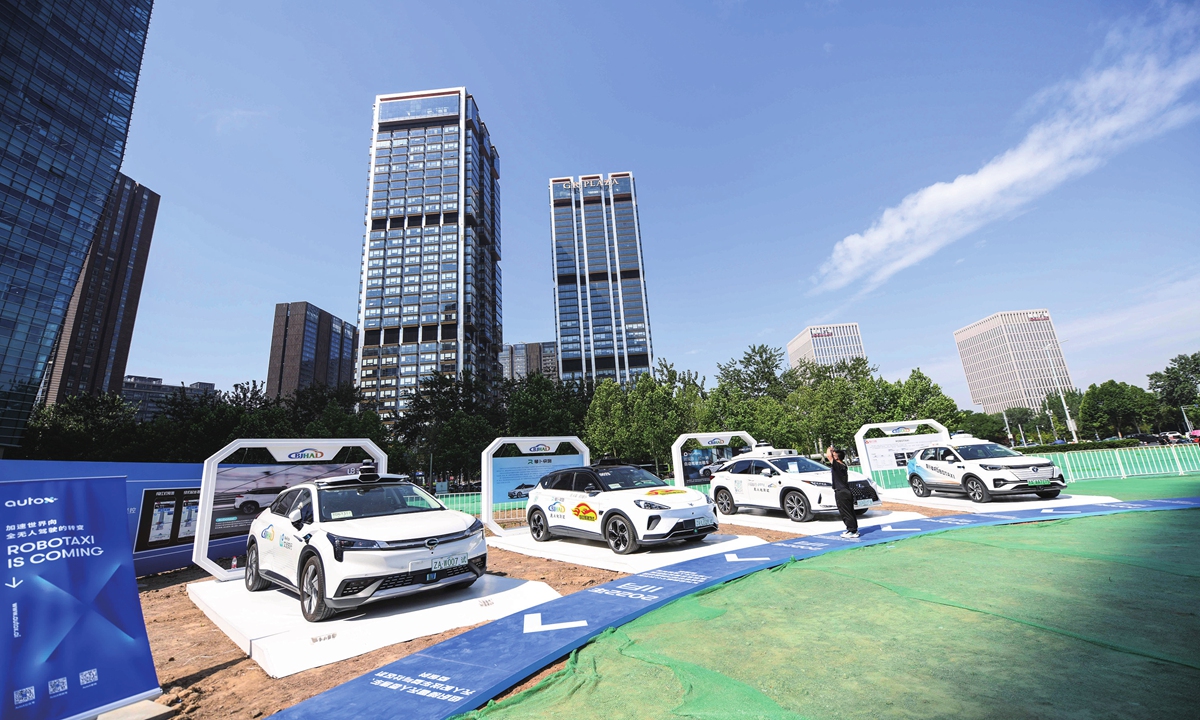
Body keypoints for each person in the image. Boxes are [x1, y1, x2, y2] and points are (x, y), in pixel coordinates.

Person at [826, 445, 857, 539]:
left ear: (837, 457)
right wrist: (833, 451)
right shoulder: (843, 465)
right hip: (845, 491)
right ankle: (852, 529)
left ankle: (852, 531)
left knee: (845, 512)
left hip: (841, 492)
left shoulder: (838, 465)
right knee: (849, 511)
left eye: (834, 454)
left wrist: (829, 449)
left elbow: (828, 456)